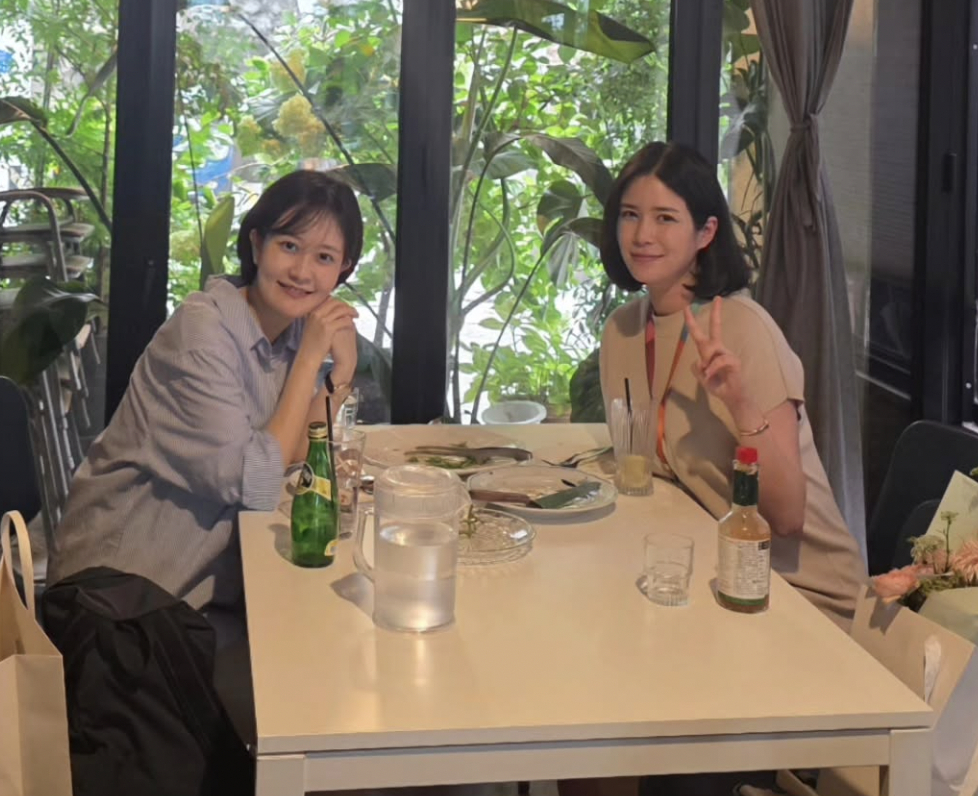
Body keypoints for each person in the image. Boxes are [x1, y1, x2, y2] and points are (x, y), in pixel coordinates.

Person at [558, 142, 868, 796]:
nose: (642, 235)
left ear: (705, 233)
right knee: (576, 682)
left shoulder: (742, 329)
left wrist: (741, 404)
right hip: (704, 576)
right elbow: (649, 467)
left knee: (618, 715)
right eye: (630, 215)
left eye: (665, 218)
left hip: (792, 594)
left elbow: (786, 517)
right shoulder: (623, 331)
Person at [48, 170, 363, 730]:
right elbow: (259, 483)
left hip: (201, 599)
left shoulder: (288, 332)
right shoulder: (201, 334)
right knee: (323, 695)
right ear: (256, 244)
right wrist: (313, 359)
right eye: (289, 246)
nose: (302, 271)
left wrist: (340, 375)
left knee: (339, 660)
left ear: (343, 270)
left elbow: (297, 454)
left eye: (323, 257)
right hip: (121, 610)